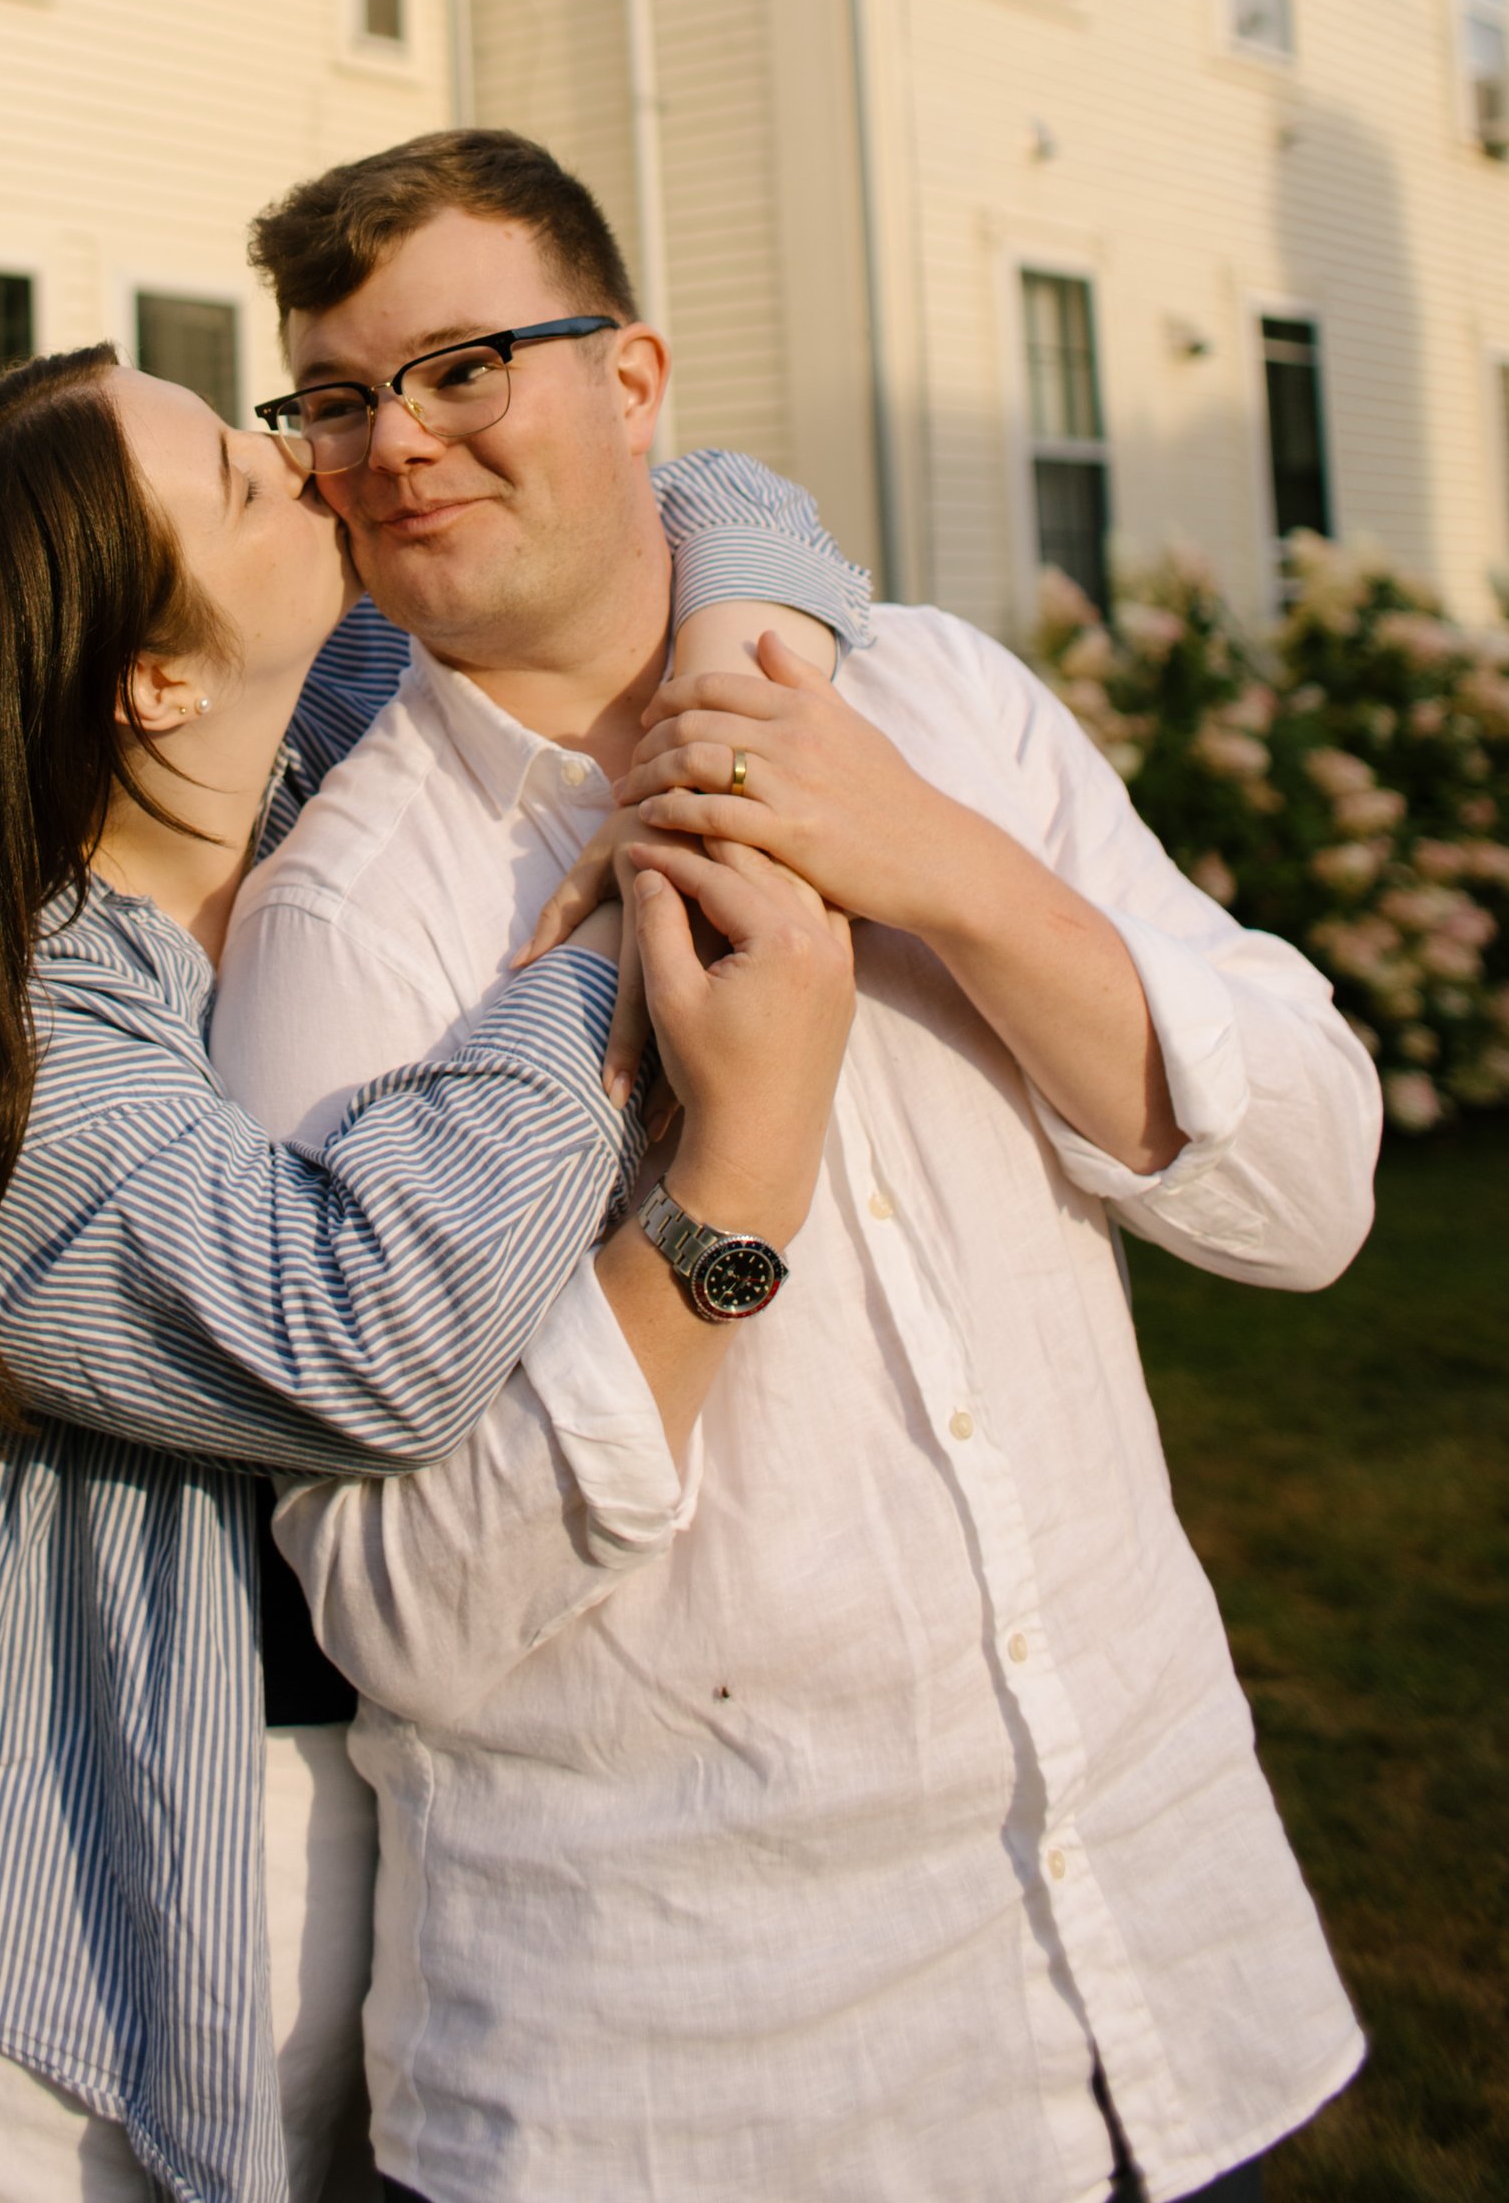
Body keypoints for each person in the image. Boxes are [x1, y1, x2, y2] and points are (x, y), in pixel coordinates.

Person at [210, 126, 1381, 2203]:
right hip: (709, 2078)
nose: (391, 441)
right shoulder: (344, 927)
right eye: (331, 396)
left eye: (461, 365)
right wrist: (725, 1189)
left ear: (635, 383)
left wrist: (947, 872)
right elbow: (394, 1609)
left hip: (1157, 1983)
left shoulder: (938, 701)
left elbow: (1302, 1197)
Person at [0, 334, 869, 2203]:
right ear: (154, 676)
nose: (310, 468)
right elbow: (360, 1322)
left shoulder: (303, 748)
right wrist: (621, 937)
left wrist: (722, 672)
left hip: (310, 1880)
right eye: (245, 485)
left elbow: (713, 502)